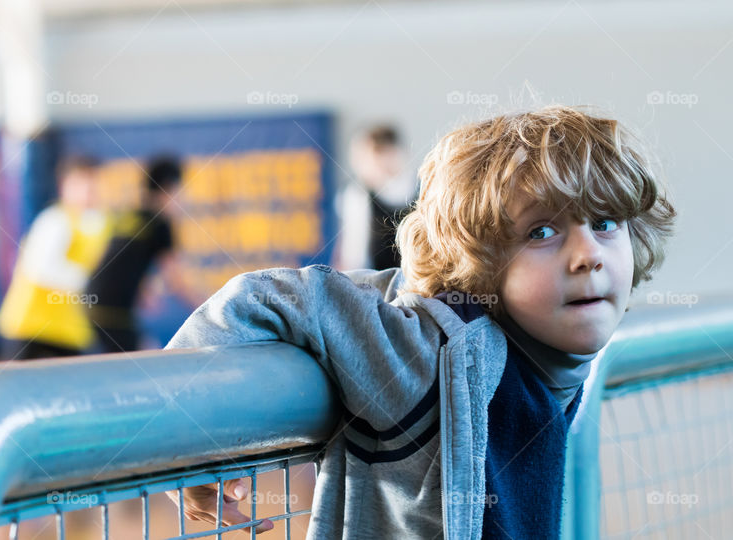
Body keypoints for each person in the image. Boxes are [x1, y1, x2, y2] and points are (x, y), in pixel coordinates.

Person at [163, 105, 676, 539]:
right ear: (479, 263)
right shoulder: (430, 355)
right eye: (541, 231)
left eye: (606, 223)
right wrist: (185, 448)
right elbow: (269, 296)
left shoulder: (550, 355)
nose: (588, 254)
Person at [0, 155, 113, 359]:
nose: (87, 191)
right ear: (64, 186)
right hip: (32, 330)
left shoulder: (99, 224)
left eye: (92, 183)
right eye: (80, 184)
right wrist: (94, 282)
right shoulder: (55, 220)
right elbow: (40, 269)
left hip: (70, 333)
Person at [85, 154, 195, 353]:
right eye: (181, 192)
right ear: (169, 189)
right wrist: (210, 307)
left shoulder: (130, 215)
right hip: (113, 312)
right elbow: (177, 282)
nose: (183, 200)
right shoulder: (161, 223)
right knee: (145, 360)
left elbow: (120, 261)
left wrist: (142, 291)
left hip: (91, 304)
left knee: (140, 356)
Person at [334, 124, 419, 271]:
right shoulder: (357, 196)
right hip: (377, 287)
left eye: (364, 158)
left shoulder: (425, 189)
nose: (358, 165)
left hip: (422, 283)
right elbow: (352, 260)